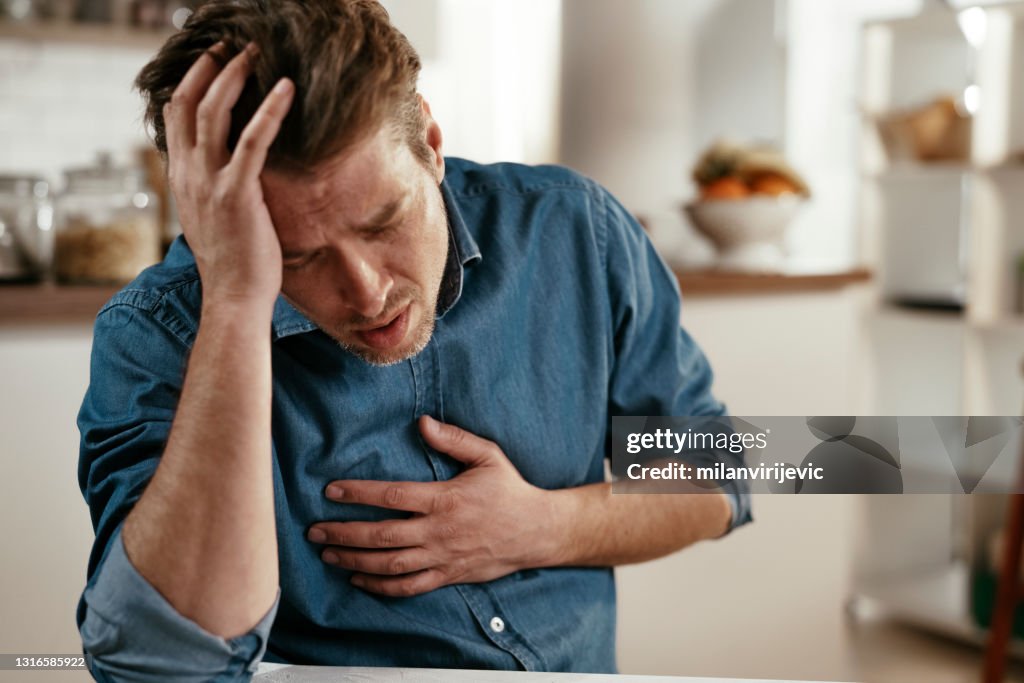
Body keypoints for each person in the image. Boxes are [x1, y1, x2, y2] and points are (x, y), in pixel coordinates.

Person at [76, 1, 753, 680]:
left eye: (384, 222)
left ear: (429, 141)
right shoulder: (158, 328)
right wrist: (235, 301)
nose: (368, 291)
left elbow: (731, 469)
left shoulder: (576, 227)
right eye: (299, 257)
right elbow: (157, 664)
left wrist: (543, 526)